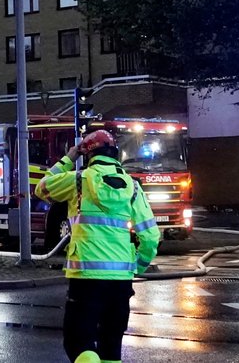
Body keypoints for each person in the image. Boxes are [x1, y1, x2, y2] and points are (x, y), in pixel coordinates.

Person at [36, 130, 160, 363]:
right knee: (111, 345)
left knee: (78, 342)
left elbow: (41, 188)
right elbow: (151, 236)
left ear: (89, 155)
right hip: (121, 280)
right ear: (115, 154)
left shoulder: (77, 179)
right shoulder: (132, 186)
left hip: (86, 278)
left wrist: (69, 158)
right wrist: (138, 266)